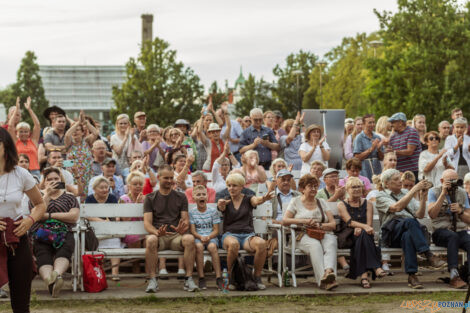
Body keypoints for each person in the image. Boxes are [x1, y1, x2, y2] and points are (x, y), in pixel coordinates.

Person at [0, 127, 46, 312]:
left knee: (21, 303)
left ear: (6, 146)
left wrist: (30, 220)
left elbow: (40, 204)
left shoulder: (21, 173)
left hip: (16, 238)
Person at [375, 169, 446, 289]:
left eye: (400, 179)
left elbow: (420, 215)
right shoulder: (381, 195)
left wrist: (423, 197)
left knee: (408, 236)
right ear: (386, 183)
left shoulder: (405, 193)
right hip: (391, 234)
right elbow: (397, 208)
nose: (400, 182)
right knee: (409, 221)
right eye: (396, 179)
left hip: (409, 231)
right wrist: (414, 189)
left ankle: (412, 276)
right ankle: (427, 254)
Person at [143, 165, 198, 293]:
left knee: (189, 238)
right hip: (159, 237)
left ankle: (188, 279)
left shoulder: (181, 197)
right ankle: (152, 280)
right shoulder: (150, 198)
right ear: (158, 178)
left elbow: (185, 220)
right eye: (166, 178)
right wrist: (156, 232)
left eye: (171, 178)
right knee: (150, 240)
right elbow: (147, 223)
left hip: (176, 236)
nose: (169, 181)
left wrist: (182, 228)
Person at [217, 173, 275, 290]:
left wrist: (264, 198)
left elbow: (256, 201)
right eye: (229, 185)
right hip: (229, 235)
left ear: (241, 187)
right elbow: (221, 207)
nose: (231, 188)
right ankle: (230, 278)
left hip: (247, 236)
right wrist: (220, 204)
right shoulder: (225, 201)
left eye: (235, 186)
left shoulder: (249, 198)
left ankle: (256, 278)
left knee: (262, 244)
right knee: (233, 245)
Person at [282, 174, 338, 290]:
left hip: (322, 232)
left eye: (315, 186)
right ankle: (324, 280)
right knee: (315, 245)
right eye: (310, 186)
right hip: (302, 235)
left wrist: (320, 225)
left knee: (331, 242)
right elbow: (285, 220)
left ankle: (328, 273)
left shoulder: (322, 202)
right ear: (302, 189)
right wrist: (304, 221)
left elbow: (333, 224)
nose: (313, 189)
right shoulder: (295, 201)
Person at [33, 167, 79, 297]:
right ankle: (52, 281)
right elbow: (37, 214)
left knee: (64, 250)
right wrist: (47, 195)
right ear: (45, 182)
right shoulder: (38, 196)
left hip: (64, 231)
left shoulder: (69, 197)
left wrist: (48, 216)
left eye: (56, 179)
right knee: (43, 253)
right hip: (42, 232)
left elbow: (74, 216)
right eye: (50, 180)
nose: (53, 181)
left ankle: (55, 276)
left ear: (61, 180)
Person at [337, 177, 386, 288]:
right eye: (353, 187)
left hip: (364, 234)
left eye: (359, 186)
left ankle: (364, 277)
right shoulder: (341, 204)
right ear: (347, 189)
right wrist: (363, 227)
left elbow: (369, 224)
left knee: (362, 237)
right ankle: (376, 267)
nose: (357, 189)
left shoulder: (368, 203)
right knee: (363, 236)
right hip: (348, 235)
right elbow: (349, 222)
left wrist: (363, 228)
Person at [428, 169, 470, 289]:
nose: (453, 183)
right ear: (442, 181)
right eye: (450, 181)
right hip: (440, 231)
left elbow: (469, 219)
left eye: (455, 180)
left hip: (459, 230)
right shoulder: (434, 192)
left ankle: (467, 274)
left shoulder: (462, 192)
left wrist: (460, 211)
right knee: (453, 237)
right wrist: (442, 194)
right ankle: (453, 275)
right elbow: (432, 214)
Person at [85, 176, 121, 279]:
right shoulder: (90, 199)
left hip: (110, 228)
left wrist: (114, 220)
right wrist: (102, 221)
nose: (105, 190)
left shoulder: (112, 198)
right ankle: (99, 272)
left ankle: (115, 273)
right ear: (95, 189)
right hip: (95, 229)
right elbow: (88, 216)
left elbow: (116, 214)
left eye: (107, 187)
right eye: (102, 188)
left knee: (115, 241)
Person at [189, 185, 223, 290]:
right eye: (198, 195)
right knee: (198, 247)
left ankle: (218, 277)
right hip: (198, 237)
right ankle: (201, 277)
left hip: (211, 236)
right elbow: (193, 230)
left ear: (207, 197)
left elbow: (216, 230)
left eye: (203, 194)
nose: (201, 196)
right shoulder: (192, 213)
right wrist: (200, 237)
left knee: (212, 247)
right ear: (194, 197)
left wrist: (208, 237)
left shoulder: (213, 211)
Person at [64, 111, 99, 199]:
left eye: (78, 130)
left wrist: (86, 123)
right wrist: (78, 123)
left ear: (83, 132)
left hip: (86, 176)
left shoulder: (87, 142)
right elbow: (67, 135)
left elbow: (95, 133)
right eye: (73, 130)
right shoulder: (69, 144)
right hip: (72, 176)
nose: (75, 132)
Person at [8, 97, 41, 178]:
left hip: (34, 171)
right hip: (18, 171)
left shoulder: (33, 141)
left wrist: (29, 109)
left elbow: (37, 125)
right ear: (17, 133)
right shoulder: (16, 141)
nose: (23, 134)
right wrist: (16, 110)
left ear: (29, 133)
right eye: (21, 131)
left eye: (26, 131)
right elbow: (10, 126)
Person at [387, 112, 422, 179]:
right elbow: (390, 152)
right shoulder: (393, 136)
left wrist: (394, 152)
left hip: (413, 170)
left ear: (400, 123)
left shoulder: (412, 132)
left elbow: (409, 151)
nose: (391, 125)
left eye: (393, 122)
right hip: (399, 172)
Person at [353, 114, 384, 181]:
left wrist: (378, 149)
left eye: (373, 122)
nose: (372, 124)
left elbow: (381, 158)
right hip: (364, 169)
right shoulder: (359, 138)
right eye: (370, 122)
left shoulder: (377, 137)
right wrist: (371, 149)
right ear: (364, 124)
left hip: (376, 168)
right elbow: (357, 157)